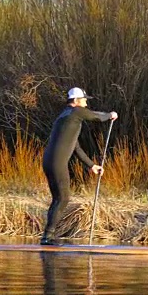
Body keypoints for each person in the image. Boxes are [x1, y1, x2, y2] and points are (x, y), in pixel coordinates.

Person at [41, 87, 118, 245]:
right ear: (75, 101)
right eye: (84, 100)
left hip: (49, 160)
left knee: (58, 199)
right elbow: (96, 116)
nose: (85, 102)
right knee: (63, 198)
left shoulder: (64, 117)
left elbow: (75, 147)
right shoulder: (76, 112)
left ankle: (47, 237)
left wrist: (91, 165)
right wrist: (110, 115)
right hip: (57, 162)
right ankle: (48, 237)